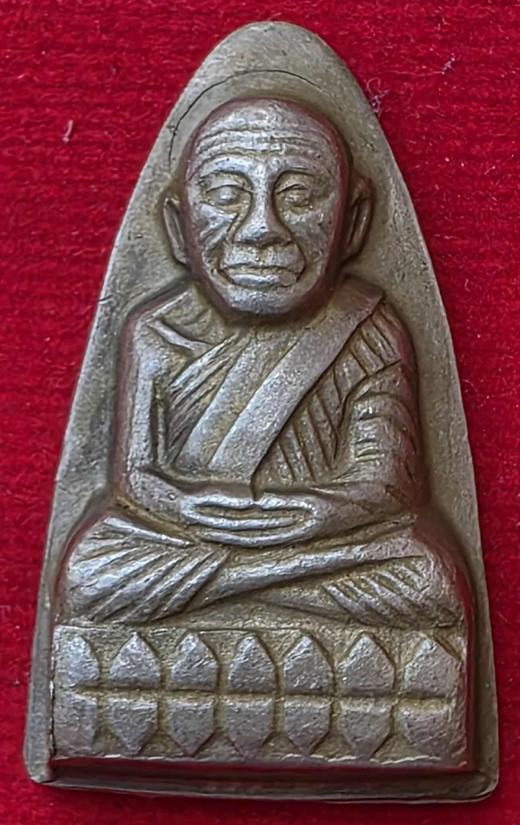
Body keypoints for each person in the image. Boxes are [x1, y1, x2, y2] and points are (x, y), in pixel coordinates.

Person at [60, 98, 471, 631]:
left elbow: (389, 485)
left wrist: (317, 514)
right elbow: (135, 480)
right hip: (198, 543)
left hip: (326, 543)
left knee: (427, 575)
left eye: (297, 196)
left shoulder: (369, 329)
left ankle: (244, 584)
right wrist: (184, 507)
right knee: (90, 570)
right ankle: (266, 580)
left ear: (353, 222)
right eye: (226, 195)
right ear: (179, 225)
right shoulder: (155, 332)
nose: (261, 229)